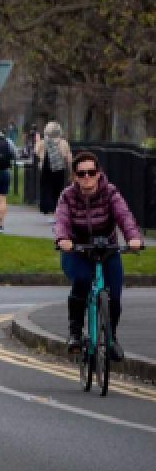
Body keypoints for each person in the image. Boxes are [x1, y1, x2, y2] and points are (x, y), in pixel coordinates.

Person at [54, 151, 144, 358]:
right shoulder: (68, 196)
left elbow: (124, 216)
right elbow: (61, 221)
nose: (87, 177)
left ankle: (111, 339)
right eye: (81, 173)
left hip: (107, 250)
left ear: (99, 173)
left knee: (114, 297)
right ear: (75, 176)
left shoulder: (110, 192)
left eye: (91, 172)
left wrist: (133, 238)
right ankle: (75, 333)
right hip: (76, 250)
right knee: (83, 280)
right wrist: (63, 240)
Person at [36, 121, 71, 223]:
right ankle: (57, 211)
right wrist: (71, 170)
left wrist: (37, 141)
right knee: (58, 190)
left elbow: (37, 152)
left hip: (46, 170)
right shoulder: (63, 143)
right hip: (59, 170)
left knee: (47, 190)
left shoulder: (43, 142)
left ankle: (51, 212)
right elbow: (68, 157)